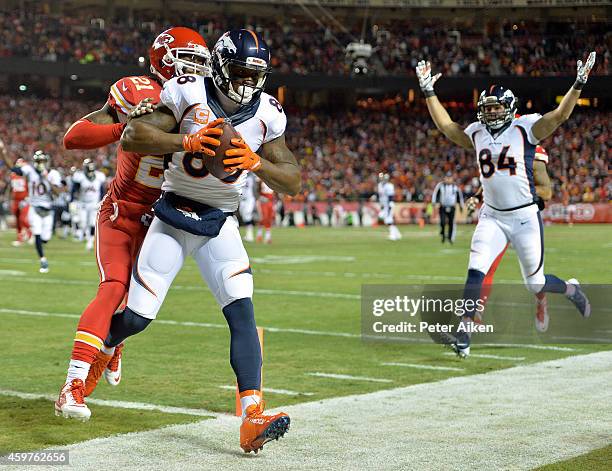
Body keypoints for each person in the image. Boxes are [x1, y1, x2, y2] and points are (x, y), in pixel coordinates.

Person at [106, 29, 300, 453]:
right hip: (174, 212)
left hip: (221, 221)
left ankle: (252, 417)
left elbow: (293, 180)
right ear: (219, 65)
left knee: (242, 312)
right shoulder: (186, 91)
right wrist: (185, 140)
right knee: (138, 318)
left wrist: (258, 163)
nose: (248, 82)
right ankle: (103, 344)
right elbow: (132, 136)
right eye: (240, 71)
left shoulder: (267, 112)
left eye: (255, 74)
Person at [55, 27, 211, 421]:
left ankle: (115, 344)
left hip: (164, 220)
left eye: (200, 63)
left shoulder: (209, 104)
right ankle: (72, 385)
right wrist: (123, 129)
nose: (195, 71)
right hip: (123, 212)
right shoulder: (138, 91)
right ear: (165, 60)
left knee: (139, 307)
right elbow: (73, 138)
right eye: (188, 60)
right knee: (113, 289)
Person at [416, 52, 595, 357]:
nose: (493, 112)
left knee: (535, 283)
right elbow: (447, 127)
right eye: (488, 107)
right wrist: (429, 92)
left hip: (525, 216)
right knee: (476, 270)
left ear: (510, 108)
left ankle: (571, 290)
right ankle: (464, 333)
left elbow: (560, 116)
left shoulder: (525, 129)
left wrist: (578, 84)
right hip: (492, 217)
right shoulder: (476, 133)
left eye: (498, 106)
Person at [467, 145, 553, 332]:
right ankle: (476, 315)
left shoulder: (531, 149)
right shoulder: (492, 144)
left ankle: (545, 298)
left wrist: (517, 194)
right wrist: (477, 196)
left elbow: (546, 192)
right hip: (496, 216)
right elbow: (495, 182)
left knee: (534, 280)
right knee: (486, 266)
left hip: (524, 218)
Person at [1, 150, 63, 272]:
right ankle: (43, 260)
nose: (40, 163)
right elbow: (13, 169)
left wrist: (46, 178)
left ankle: (40, 247)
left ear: (46, 162)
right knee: (37, 234)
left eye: (42, 161)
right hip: (34, 207)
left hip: (48, 210)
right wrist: (3, 152)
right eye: (38, 161)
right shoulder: (29, 170)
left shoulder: (53, 174)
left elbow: (57, 193)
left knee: (45, 238)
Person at [0, 139, 31, 246]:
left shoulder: (26, 174)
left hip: (25, 198)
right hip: (16, 199)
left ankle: (31, 233)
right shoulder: (13, 174)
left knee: (23, 218)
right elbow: (11, 187)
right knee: (17, 219)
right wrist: (8, 196)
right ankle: (19, 238)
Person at [71, 159, 106, 250]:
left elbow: (102, 190)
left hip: (94, 203)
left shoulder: (99, 176)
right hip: (82, 203)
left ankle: (90, 240)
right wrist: (73, 201)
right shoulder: (80, 177)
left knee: (92, 222)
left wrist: (102, 201)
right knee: (82, 222)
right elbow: (74, 190)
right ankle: (85, 236)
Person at [432, 172, 464, 244]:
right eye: (447, 178)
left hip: (452, 207)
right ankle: (443, 234)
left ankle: (450, 238)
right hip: (443, 207)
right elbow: (435, 194)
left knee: (451, 223)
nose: (448, 179)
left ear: (452, 179)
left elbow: (459, 197)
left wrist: (461, 206)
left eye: (450, 178)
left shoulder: (455, 187)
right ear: (444, 178)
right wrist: (434, 203)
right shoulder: (440, 186)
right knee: (442, 222)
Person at [377, 172, 401, 240]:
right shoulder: (379, 185)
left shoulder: (389, 186)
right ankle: (397, 234)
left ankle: (393, 234)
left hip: (388, 205)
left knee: (388, 220)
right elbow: (380, 196)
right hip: (384, 205)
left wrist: (390, 203)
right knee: (386, 219)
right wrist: (381, 206)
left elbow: (390, 196)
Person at [239, 172, 256, 242]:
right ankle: (247, 235)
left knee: (247, 215)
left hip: (249, 199)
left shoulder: (251, 177)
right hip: (242, 200)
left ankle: (250, 236)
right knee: (244, 217)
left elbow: (255, 187)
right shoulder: (240, 176)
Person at [257, 178, 275, 244]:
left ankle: (266, 236)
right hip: (264, 201)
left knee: (269, 218)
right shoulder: (261, 181)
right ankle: (262, 235)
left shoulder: (273, 181)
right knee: (264, 217)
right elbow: (258, 190)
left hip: (270, 201)